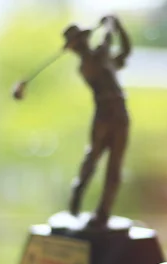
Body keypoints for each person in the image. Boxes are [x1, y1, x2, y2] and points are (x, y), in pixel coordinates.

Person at [63, 15, 132, 228]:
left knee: (115, 167)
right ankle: (78, 191)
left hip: (120, 112)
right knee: (93, 157)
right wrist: (111, 26)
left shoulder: (103, 58)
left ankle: (103, 212)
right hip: (104, 113)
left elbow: (126, 51)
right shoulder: (87, 64)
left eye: (82, 40)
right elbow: (106, 44)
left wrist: (118, 26)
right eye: (78, 42)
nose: (82, 45)